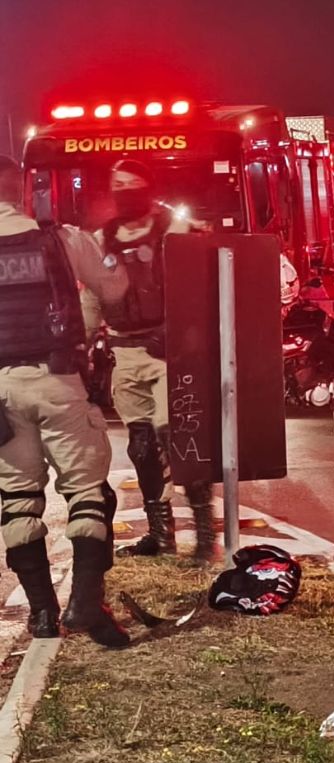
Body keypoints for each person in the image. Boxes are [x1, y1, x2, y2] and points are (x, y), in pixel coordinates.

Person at [0, 155, 129, 647]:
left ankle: (41, 617)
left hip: (0, 394)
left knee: (17, 502)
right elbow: (113, 287)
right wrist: (108, 252)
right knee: (88, 493)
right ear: (23, 188)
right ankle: (84, 605)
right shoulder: (61, 239)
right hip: (56, 380)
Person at [87, 158, 216, 561]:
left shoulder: (173, 230)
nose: (123, 190)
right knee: (141, 448)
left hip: (168, 354)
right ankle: (161, 536)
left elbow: (203, 281)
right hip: (124, 353)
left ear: (148, 187)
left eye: (131, 183)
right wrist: (81, 342)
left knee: (179, 439)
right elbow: (91, 296)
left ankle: (205, 533)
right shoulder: (101, 239)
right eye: (116, 183)